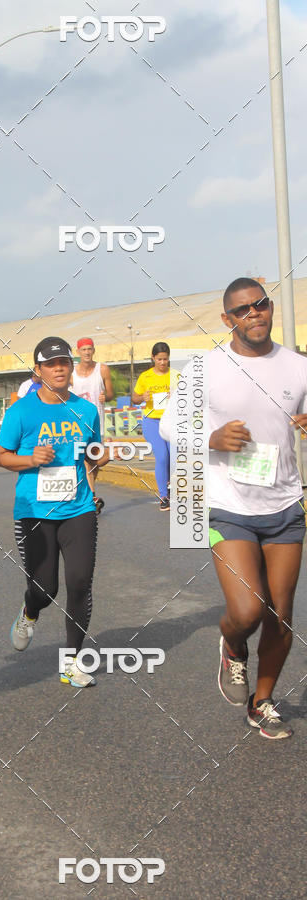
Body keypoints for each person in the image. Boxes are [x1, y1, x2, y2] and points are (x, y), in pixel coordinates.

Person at [161, 278, 307, 739]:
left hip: (284, 502)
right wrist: (209, 438)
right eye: (243, 310)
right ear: (228, 320)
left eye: (261, 305)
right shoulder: (207, 368)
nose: (255, 314)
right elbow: (168, 424)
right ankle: (232, 643)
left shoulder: (296, 366)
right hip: (228, 505)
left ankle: (262, 702)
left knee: (279, 615)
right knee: (248, 610)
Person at [0, 336, 118, 687]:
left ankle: (72, 662)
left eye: (63, 362)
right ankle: (30, 611)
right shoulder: (21, 411)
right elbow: (0, 456)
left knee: (79, 582)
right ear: (38, 371)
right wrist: (30, 459)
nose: (59, 368)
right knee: (45, 588)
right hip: (34, 511)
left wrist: (101, 456)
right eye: (51, 364)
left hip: (78, 507)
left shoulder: (85, 410)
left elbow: (93, 452)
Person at [71, 337, 114, 513]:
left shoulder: (102, 369)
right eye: (84, 349)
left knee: (93, 462)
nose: (87, 352)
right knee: (84, 462)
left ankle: (90, 494)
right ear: (78, 352)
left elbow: (111, 394)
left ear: (94, 350)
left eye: (90, 349)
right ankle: (90, 496)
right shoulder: (71, 373)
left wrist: (107, 397)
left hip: (97, 423)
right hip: (76, 424)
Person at [132, 342, 172, 511]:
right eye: (159, 359)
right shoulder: (145, 376)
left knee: (174, 457)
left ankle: (171, 485)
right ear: (153, 358)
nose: (162, 363)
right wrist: (142, 396)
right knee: (162, 456)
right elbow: (134, 399)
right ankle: (163, 496)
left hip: (171, 420)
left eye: (165, 359)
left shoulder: (176, 375)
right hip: (152, 421)